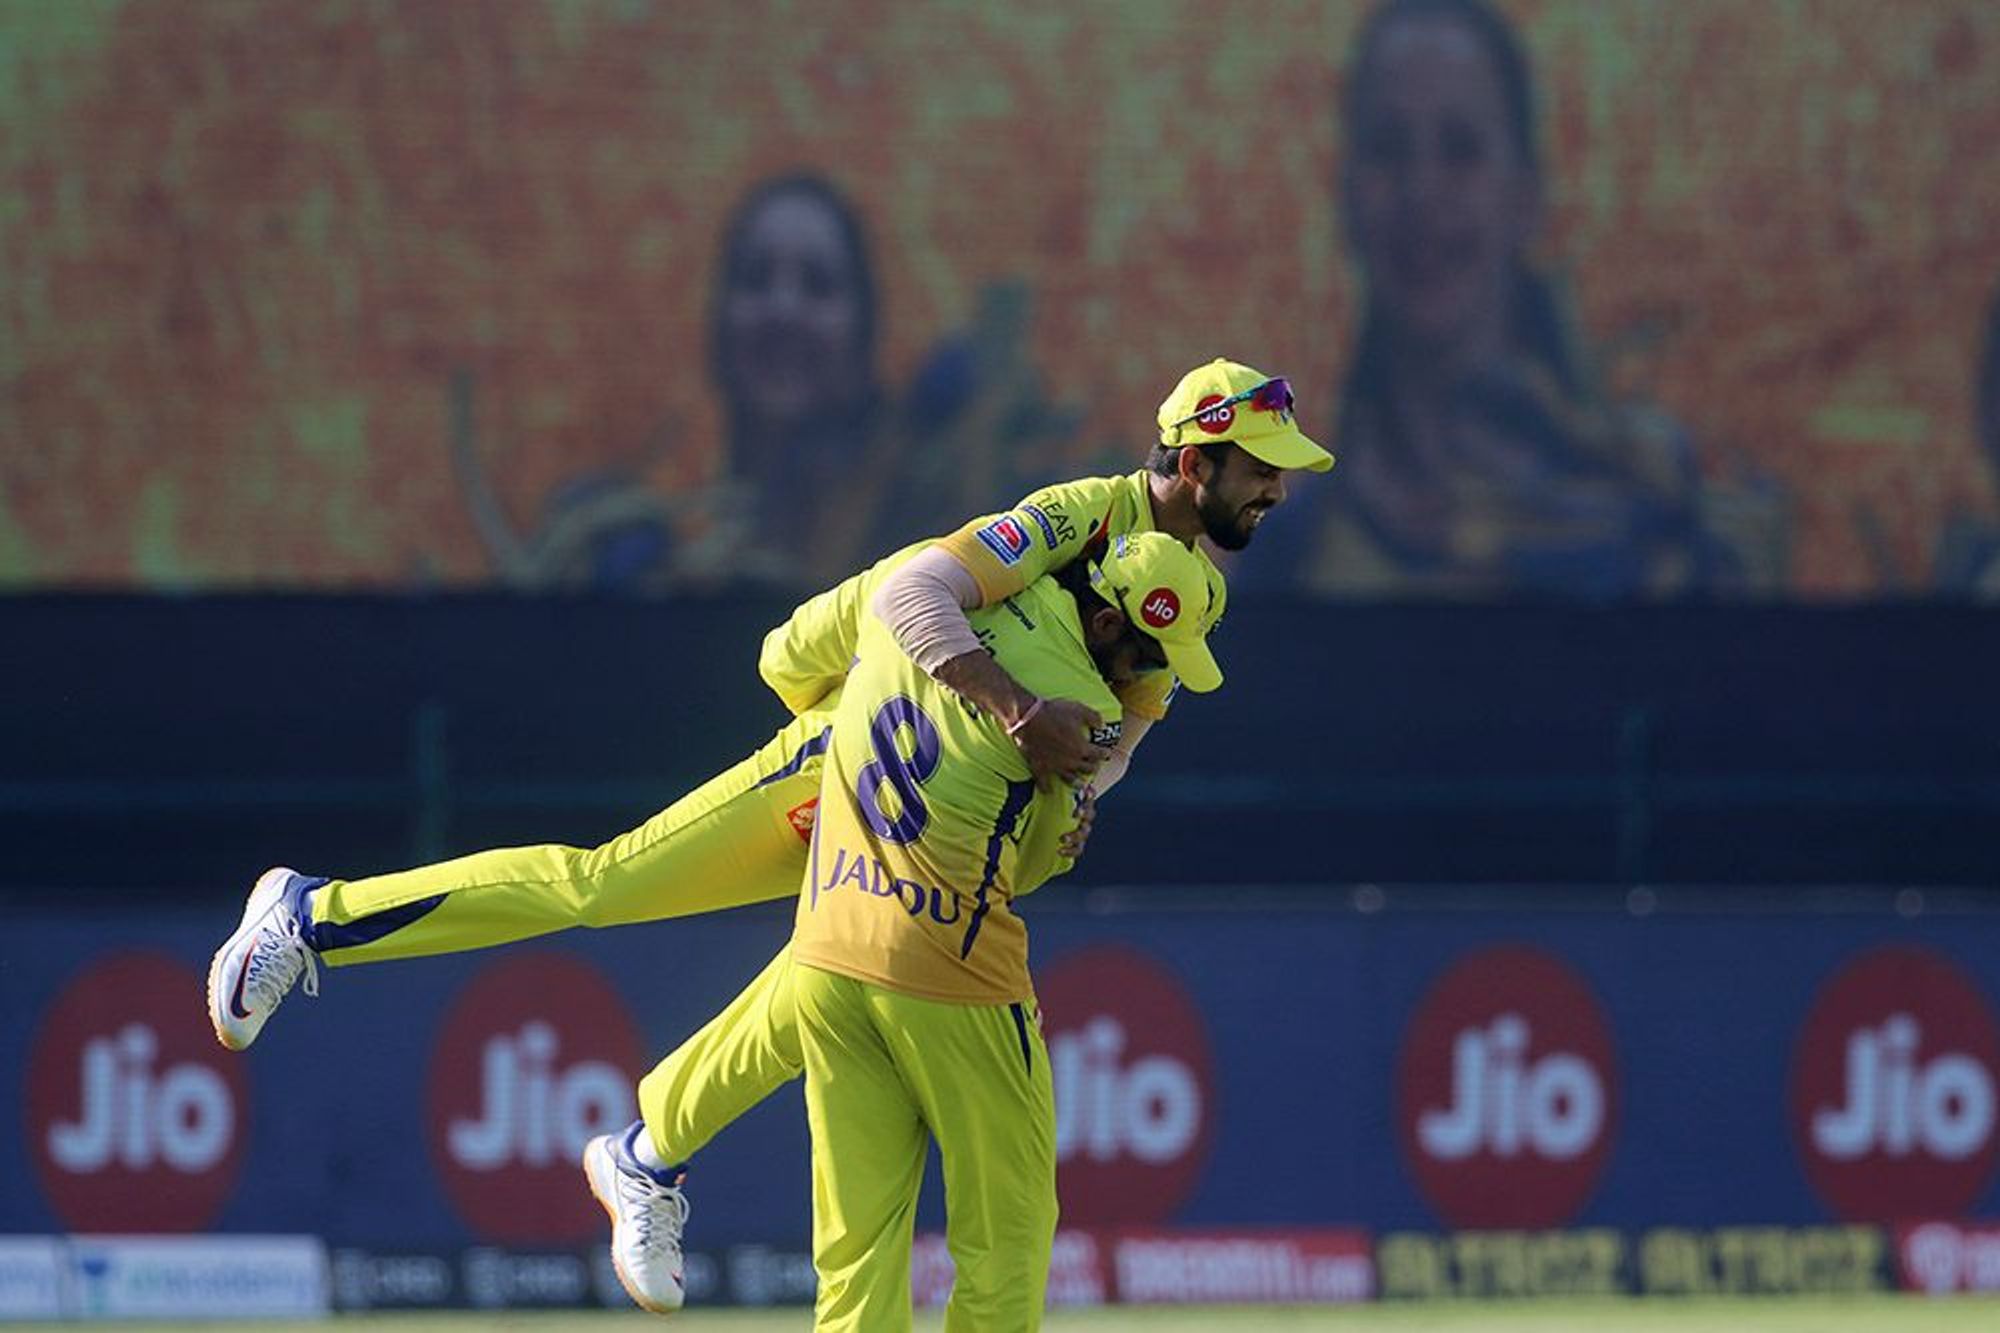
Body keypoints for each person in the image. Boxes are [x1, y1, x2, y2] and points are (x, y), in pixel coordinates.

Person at [206, 358, 1334, 1308]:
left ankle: (645, 1154)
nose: (1278, 492)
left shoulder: (1185, 595)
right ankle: (314, 918)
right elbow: (905, 597)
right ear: (1196, 458)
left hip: (940, 795)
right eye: (1263, 469)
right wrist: (961, 711)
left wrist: (1079, 791)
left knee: (845, 973)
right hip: (856, 756)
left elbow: (1128, 727)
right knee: (604, 886)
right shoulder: (1081, 514)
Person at [781, 530, 1222, 1331]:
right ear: (1104, 625)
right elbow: (1037, 857)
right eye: (1150, 656)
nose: (1147, 682)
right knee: (1008, 1237)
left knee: (856, 1250)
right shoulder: (1069, 707)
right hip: (953, 972)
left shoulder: (941, 612)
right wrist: (1067, 828)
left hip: (829, 949)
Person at [1236, 0, 1782, 600]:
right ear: (1344, 192)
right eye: (1389, 148)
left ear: (1526, 196)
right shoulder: (1288, 549)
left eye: (1462, 149)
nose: (1421, 191)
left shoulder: (1657, 514)